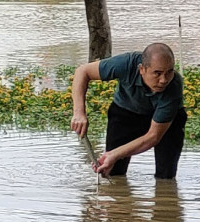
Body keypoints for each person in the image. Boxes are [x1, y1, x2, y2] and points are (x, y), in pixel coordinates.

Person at [69, 42, 187, 179]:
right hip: (126, 113)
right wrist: (79, 113)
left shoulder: (174, 85)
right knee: (113, 172)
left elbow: (153, 137)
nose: (163, 80)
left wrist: (114, 154)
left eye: (169, 72)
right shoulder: (126, 64)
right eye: (157, 73)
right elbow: (83, 72)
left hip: (167, 123)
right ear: (141, 69)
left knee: (166, 177)